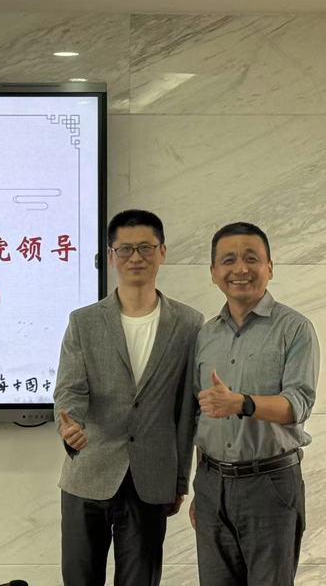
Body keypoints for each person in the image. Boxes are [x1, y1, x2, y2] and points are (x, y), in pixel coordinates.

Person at [54, 209, 203, 586]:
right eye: (125, 249)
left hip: (151, 479)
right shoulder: (84, 321)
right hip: (89, 472)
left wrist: (180, 480)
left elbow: (186, 411)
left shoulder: (189, 323)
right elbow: (70, 389)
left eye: (146, 248)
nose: (136, 257)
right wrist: (70, 425)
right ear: (111, 255)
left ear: (162, 252)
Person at [190, 222, 319, 586]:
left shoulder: (294, 328)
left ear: (270, 267)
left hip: (270, 484)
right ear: (214, 272)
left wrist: (242, 403)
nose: (240, 269)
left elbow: (298, 404)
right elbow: (200, 415)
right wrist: (200, 488)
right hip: (212, 485)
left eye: (251, 258)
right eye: (228, 260)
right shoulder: (205, 335)